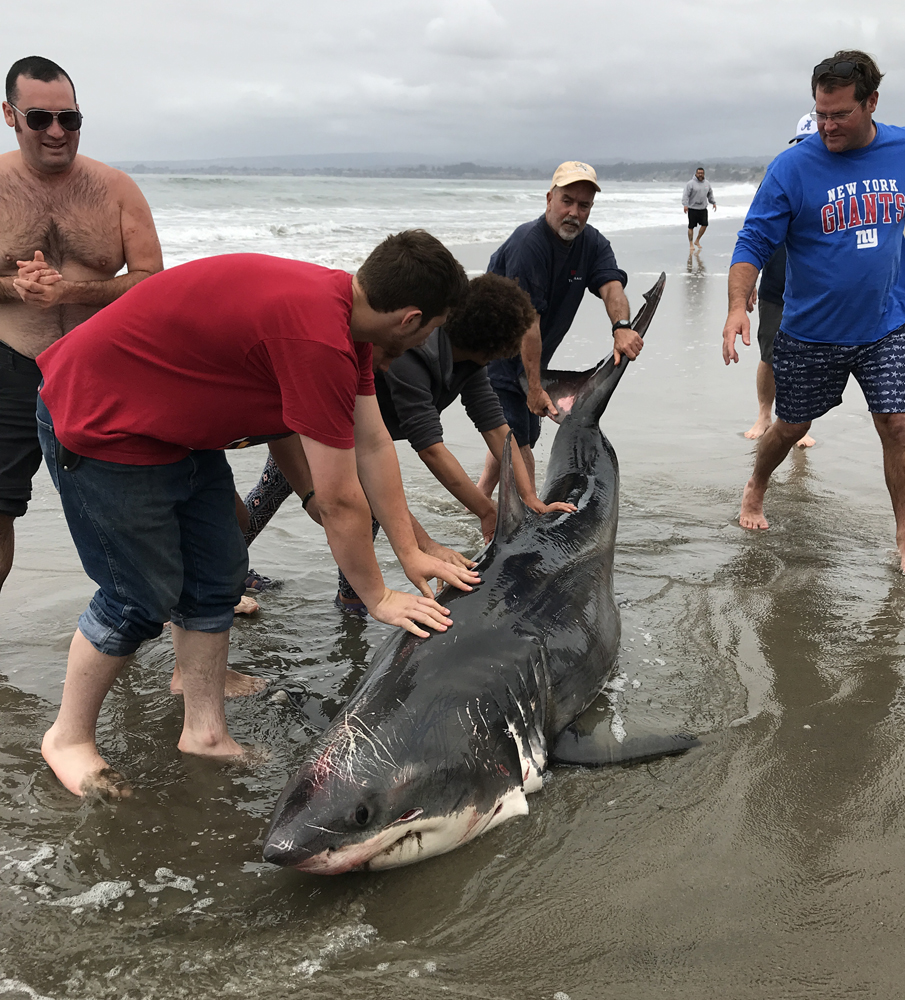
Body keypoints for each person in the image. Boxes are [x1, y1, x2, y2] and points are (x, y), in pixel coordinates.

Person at [34, 232, 479, 798]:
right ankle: (67, 738)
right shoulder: (317, 335)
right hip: (101, 422)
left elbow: (373, 445)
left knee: (218, 573)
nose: (431, 338)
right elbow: (340, 497)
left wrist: (411, 549)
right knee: (137, 597)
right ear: (410, 319)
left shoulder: (345, 320)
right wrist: (378, 596)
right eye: (434, 328)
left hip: (175, 431)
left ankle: (205, 731)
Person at [722, 50, 905, 577]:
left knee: (895, 424)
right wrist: (738, 304)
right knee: (789, 425)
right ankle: (756, 487)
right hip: (812, 330)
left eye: (839, 114)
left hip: (884, 323)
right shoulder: (792, 167)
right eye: (820, 114)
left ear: (871, 103)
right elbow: (753, 240)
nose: (826, 126)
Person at [236, 273, 577, 611]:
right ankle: (234, 573)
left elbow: (496, 426)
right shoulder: (413, 358)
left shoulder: (469, 364)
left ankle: (349, 597)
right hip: (319, 431)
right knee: (281, 494)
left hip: (362, 441)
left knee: (347, 508)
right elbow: (431, 449)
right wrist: (487, 511)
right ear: (492, 348)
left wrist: (529, 496)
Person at [0, 55, 163, 591]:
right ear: (10, 115)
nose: (55, 131)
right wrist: (13, 287)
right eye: (39, 118)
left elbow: (151, 280)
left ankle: (186, 610)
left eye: (68, 119)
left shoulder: (115, 189)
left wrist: (69, 291)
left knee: (140, 499)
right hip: (12, 365)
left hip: (98, 368)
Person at [478, 161, 642, 497]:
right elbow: (528, 324)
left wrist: (622, 327)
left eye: (584, 205)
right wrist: (535, 388)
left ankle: (480, 496)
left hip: (532, 357)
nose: (574, 213)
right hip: (493, 354)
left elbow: (611, 287)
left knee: (515, 433)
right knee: (520, 445)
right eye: (567, 200)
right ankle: (525, 527)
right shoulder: (530, 244)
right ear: (549, 198)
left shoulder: (592, 244)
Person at [743, 115, 818, 448]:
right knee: (770, 354)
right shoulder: (778, 177)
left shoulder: (837, 183)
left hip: (817, 290)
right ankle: (764, 414)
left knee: (808, 359)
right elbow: (755, 234)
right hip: (776, 283)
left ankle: (800, 423)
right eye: (801, 145)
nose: (806, 152)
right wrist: (747, 285)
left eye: (811, 144)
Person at [683, 166, 717, 250]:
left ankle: (697, 240)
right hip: (692, 208)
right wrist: (685, 205)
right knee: (691, 227)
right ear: (696, 174)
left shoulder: (707, 183)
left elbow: (710, 194)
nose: (700, 175)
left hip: (703, 208)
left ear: (704, 174)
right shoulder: (690, 183)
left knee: (705, 225)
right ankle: (691, 243)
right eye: (699, 173)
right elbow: (686, 195)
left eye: (702, 173)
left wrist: (713, 202)